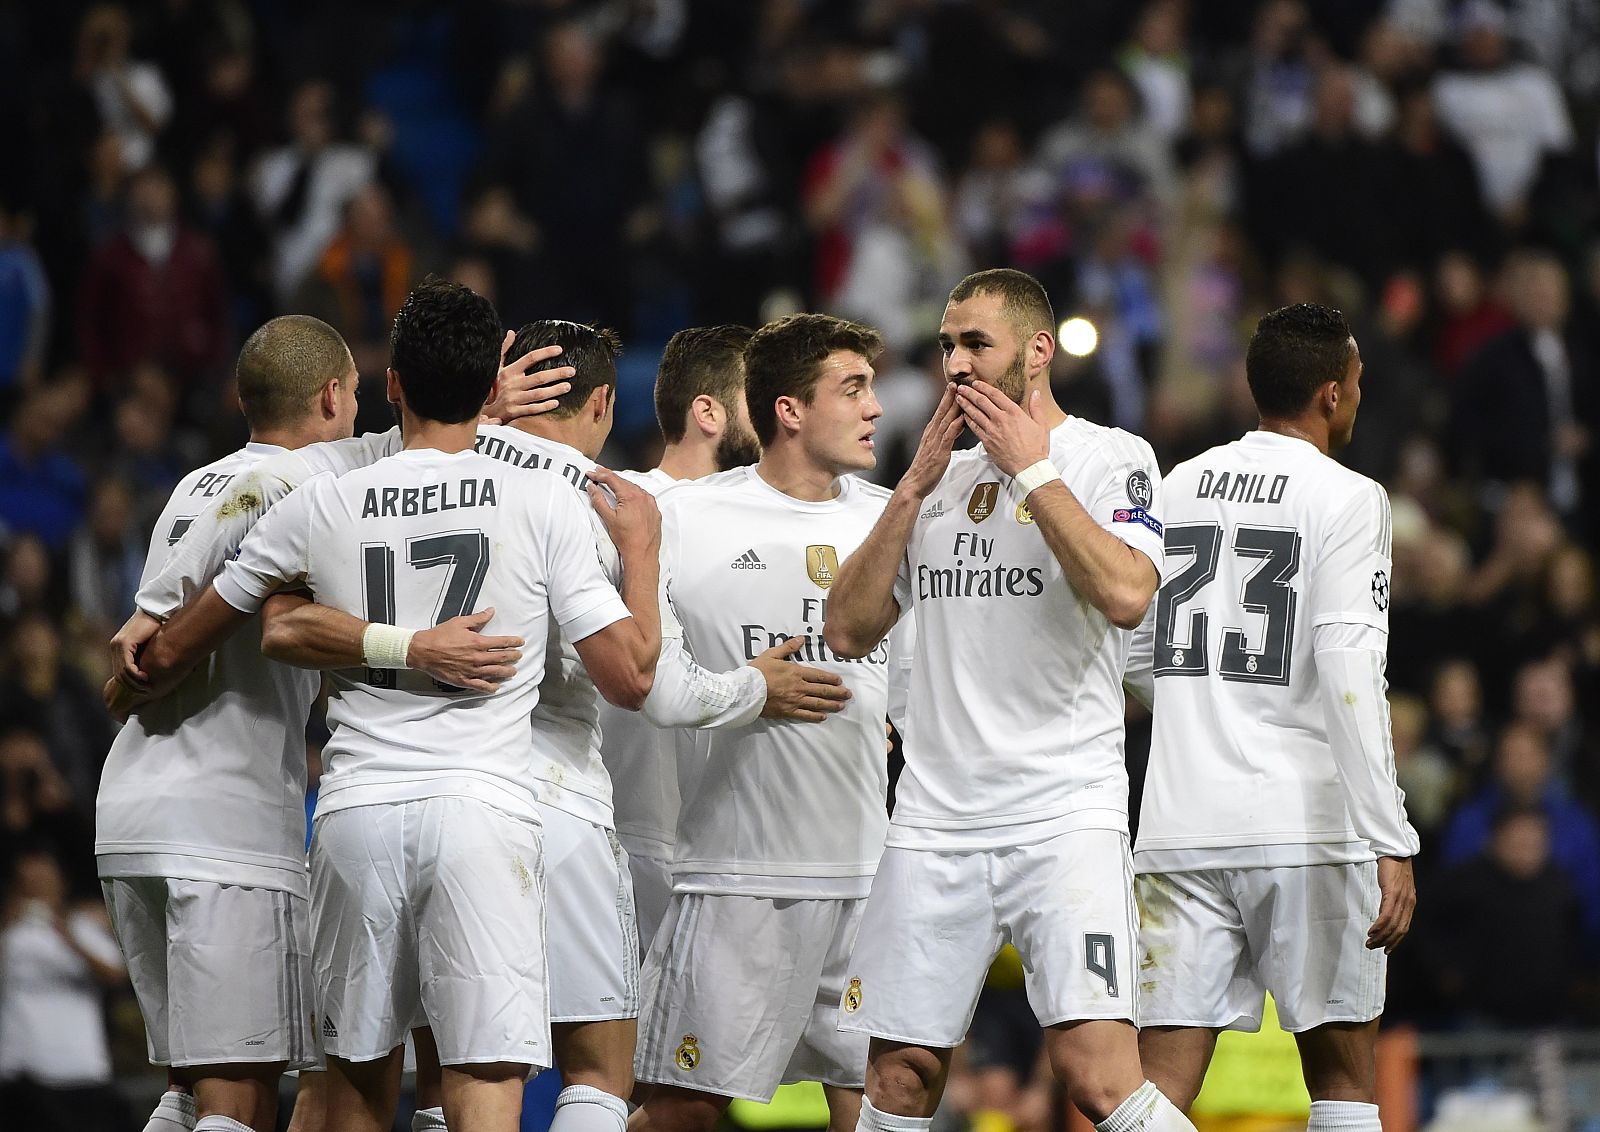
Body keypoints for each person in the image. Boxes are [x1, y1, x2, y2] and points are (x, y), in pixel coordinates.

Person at [129, 279, 664, 1132]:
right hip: (485, 807)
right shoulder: (543, 500)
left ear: (390, 386)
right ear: (492, 390)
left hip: (354, 811)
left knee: (352, 1090)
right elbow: (631, 674)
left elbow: (239, 618)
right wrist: (643, 553)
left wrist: (150, 641)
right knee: (481, 1083)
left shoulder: (327, 497)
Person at [825, 268, 1191, 1132]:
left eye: (974, 345)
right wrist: (910, 491)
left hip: (1062, 813)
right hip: (933, 820)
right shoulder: (935, 484)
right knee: (899, 1078)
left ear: (1036, 352)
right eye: (945, 345)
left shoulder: (1111, 458)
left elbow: (1129, 593)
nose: (954, 365)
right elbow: (847, 629)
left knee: (1096, 1078)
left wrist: (1032, 471)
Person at [1126, 302, 1418, 1132]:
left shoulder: (1177, 485)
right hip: (1307, 830)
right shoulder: (1351, 497)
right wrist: (1387, 833)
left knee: (1157, 1087)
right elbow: (1350, 670)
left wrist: (1197, 704)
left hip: (1181, 821)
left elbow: (1136, 650)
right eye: (1357, 384)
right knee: (1342, 1076)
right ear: (1331, 395)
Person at [95, 314, 365, 1132]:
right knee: (238, 1097)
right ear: (329, 396)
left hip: (133, 813)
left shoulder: (195, 483)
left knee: (183, 1089)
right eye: (354, 395)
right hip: (227, 827)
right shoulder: (316, 485)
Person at [630, 314, 895, 1132]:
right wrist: (752, 689)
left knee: (884, 1108)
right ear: (788, 410)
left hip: (869, 875)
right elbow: (649, 677)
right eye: (853, 389)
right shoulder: (682, 517)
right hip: (735, 874)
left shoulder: (892, 518)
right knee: (681, 1115)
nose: (875, 408)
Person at [600, 323, 765, 952]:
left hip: (740, 839)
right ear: (708, 412)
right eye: (761, 397)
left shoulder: (764, 519)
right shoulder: (624, 512)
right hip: (640, 832)